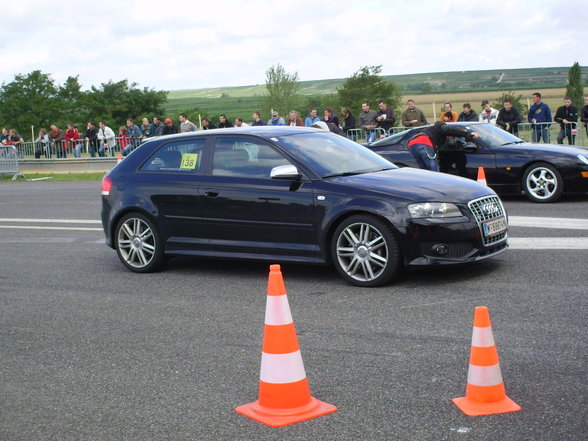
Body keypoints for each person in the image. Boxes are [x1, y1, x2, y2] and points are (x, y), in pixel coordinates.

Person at [407, 121, 479, 172]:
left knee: (425, 171)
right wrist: (469, 134)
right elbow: (453, 130)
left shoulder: (429, 130)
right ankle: (438, 187)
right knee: (434, 170)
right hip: (424, 144)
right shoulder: (441, 127)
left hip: (412, 145)